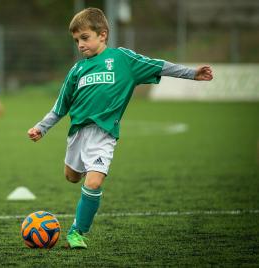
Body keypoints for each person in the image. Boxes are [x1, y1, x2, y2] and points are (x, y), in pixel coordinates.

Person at [27, 7, 213, 249]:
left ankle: (77, 232)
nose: (80, 45)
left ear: (102, 35)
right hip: (78, 134)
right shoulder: (77, 70)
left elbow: (158, 65)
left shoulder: (123, 60)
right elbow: (60, 107)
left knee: (93, 183)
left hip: (104, 134)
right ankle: (88, 173)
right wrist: (41, 128)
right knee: (71, 177)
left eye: (85, 38)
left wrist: (191, 73)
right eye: (76, 40)